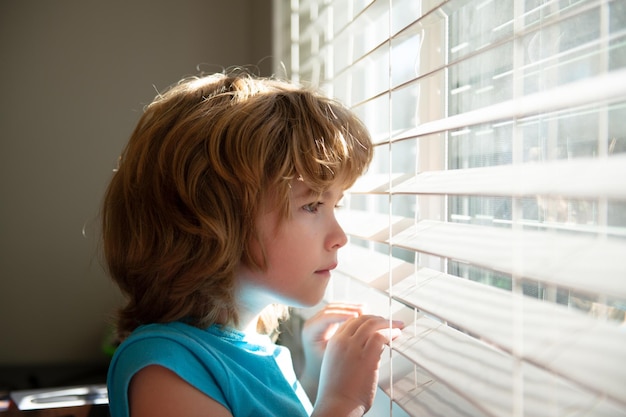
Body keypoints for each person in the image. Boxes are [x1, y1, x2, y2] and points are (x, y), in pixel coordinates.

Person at [102, 70, 404, 417]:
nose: (340, 238)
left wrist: (312, 379)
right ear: (211, 219)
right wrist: (341, 402)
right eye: (311, 205)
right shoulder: (166, 368)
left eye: (336, 205)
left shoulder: (255, 350)